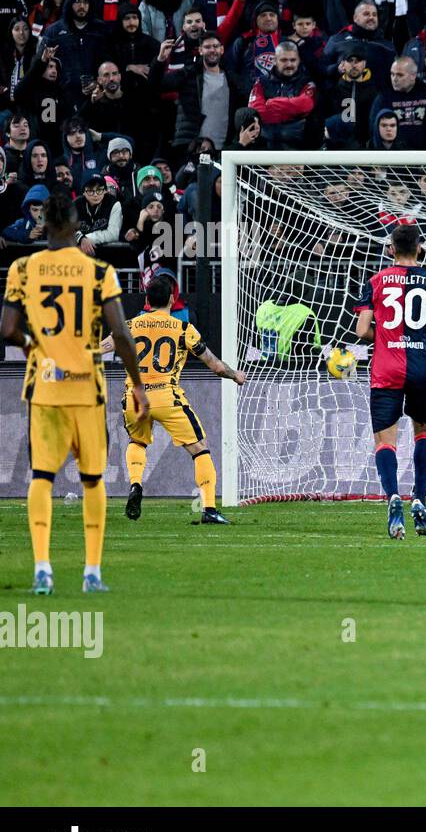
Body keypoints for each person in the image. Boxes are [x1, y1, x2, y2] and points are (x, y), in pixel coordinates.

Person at [1, 186, 148, 594]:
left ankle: (43, 569)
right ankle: (92, 573)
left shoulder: (22, 269)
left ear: (43, 224)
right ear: (76, 225)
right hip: (87, 389)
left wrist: (34, 347)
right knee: (92, 480)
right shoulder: (99, 273)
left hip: (45, 389)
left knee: (42, 478)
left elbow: (7, 330)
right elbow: (120, 333)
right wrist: (138, 385)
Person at [100, 275, 245, 524]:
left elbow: (98, 348)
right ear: (171, 299)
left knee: (137, 441)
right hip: (166, 397)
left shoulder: (129, 325)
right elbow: (215, 365)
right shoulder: (183, 329)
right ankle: (209, 509)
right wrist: (235, 375)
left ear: (147, 299)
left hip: (134, 398)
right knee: (199, 448)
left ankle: (135, 484)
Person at [352, 224, 426, 539]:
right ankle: (420, 499)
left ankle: (393, 497)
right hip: (423, 367)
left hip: (386, 368)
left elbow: (361, 331)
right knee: (423, 431)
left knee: (385, 441)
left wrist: (386, 338)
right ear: (420, 249)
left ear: (390, 249)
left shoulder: (375, 281)